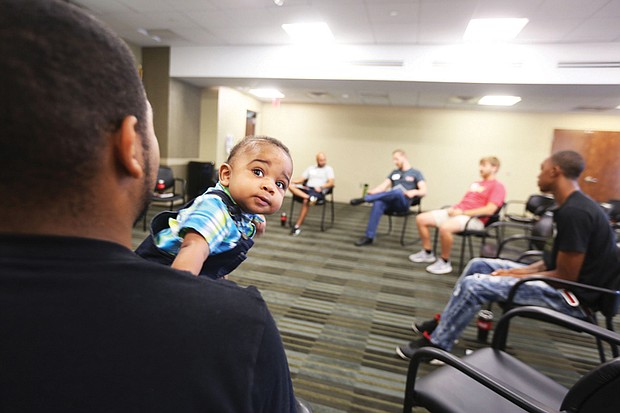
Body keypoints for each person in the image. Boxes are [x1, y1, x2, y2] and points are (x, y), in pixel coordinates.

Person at [0, 1, 297, 411]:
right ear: (129, 146)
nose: (268, 187)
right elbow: (187, 270)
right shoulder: (240, 329)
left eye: (279, 183)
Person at [396, 150, 620, 361]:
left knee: (476, 285)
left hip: (574, 300)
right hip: (564, 284)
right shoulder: (569, 207)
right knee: (479, 265)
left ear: (555, 171)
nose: (538, 176)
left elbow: (566, 276)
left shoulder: (575, 213)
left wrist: (516, 277)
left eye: (542, 169)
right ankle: (445, 322)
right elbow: (553, 262)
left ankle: (438, 346)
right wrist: (517, 271)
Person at [136, 135, 292, 278]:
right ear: (226, 175)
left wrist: (258, 217)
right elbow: (191, 251)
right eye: (258, 172)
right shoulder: (214, 210)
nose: (270, 187)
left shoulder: (241, 207)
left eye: (280, 184)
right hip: (161, 273)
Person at [409, 156, 506, 274]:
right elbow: (465, 202)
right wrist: (454, 208)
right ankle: (428, 253)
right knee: (421, 219)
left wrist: (462, 212)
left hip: (475, 220)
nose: (480, 168)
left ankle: (444, 261)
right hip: (459, 213)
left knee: (445, 227)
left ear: (494, 168)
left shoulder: (498, 186)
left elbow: (489, 210)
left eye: (484, 166)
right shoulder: (476, 183)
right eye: (480, 165)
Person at [350, 149, 427, 246]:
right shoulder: (394, 173)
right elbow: (383, 187)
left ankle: (365, 199)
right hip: (391, 202)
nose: (394, 162)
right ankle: (369, 237)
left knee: (397, 192)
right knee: (378, 203)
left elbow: (424, 191)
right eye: (393, 160)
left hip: (403, 203)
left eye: (396, 159)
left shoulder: (416, 173)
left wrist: (415, 191)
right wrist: (373, 191)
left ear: (404, 157)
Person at [288, 152, 335, 236]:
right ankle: (309, 197)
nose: (323, 162)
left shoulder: (328, 169)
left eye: (324, 160)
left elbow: (331, 183)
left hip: (318, 191)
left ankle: (297, 226)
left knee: (305, 201)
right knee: (290, 186)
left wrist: (321, 187)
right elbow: (301, 179)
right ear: (317, 160)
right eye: (321, 160)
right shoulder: (311, 168)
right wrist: (290, 181)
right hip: (307, 189)